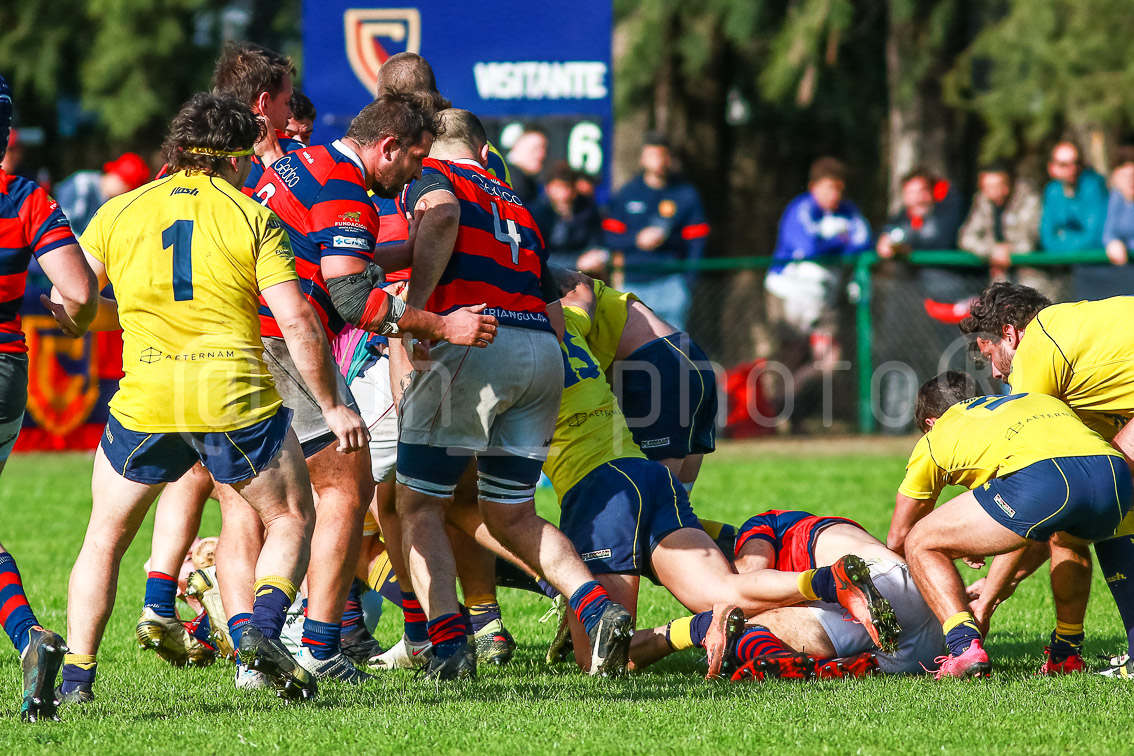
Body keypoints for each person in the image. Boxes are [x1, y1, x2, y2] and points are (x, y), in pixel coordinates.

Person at [48, 92, 372, 705]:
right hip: (231, 396)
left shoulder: (119, 210)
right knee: (291, 516)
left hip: (145, 397)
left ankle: (76, 680)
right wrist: (331, 405)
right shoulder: (252, 215)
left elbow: (76, 300)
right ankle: (262, 631)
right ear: (238, 154)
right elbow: (298, 322)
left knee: (103, 539)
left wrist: (83, 316)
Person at [240, 91, 495, 684]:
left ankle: (258, 648)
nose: (412, 175)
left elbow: (320, 249)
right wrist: (443, 323)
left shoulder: (294, 165)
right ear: (387, 147)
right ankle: (317, 647)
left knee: (262, 508)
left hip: (237, 341)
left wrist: (391, 259)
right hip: (284, 342)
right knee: (348, 489)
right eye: (413, 160)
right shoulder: (347, 188)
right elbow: (351, 297)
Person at [395, 108, 634, 681]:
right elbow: (547, 290)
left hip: (477, 341)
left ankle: (450, 646)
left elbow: (443, 216)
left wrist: (420, 313)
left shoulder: (434, 179)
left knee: (418, 504)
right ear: (483, 151)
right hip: (539, 352)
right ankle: (596, 607)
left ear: (434, 146)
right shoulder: (515, 200)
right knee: (511, 511)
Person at [543, 296, 901, 673]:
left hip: (600, 490)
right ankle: (829, 580)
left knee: (596, 661)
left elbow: (505, 519)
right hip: (647, 471)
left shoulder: (504, 344)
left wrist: (554, 578)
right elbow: (580, 291)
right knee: (720, 593)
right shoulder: (566, 317)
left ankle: (692, 628)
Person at [888, 372, 1130, 679]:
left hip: (1043, 481)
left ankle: (963, 647)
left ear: (930, 423)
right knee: (1067, 537)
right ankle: (1066, 654)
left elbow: (899, 535)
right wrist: (983, 567)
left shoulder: (935, 437)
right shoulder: (1027, 401)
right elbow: (1035, 524)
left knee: (920, 540)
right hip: (1114, 474)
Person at [958, 282, 1134, 677]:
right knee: (1106, 498)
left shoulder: (1037, 345)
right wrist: (1000, 582)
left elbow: (1037, 495)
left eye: (991, 356)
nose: (996, 372)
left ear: (1009, 333)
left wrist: (989, 594)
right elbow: (1062, 516)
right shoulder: (1080, 353)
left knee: (1113, 489)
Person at [0, 75, 98, 722]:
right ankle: (28, 639)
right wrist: (75, 318)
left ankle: (29, 636)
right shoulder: (28, 198)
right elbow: (80, 293)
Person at [632, 509, 940, 679]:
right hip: (926, 627)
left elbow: (743, 589)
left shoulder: (759, 527)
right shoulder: (825, 528)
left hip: (868, 578)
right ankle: (827, 670)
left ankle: (782, 653)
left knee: (734, 632)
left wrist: (694, 625)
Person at [557, 269, 716, 490]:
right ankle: (770, 526)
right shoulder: (537, 276)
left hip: (657, 367)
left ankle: (776, 525)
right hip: (683, 354)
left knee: (653, 505)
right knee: (676, 509)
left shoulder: (538, 277)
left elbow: (580, 284)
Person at [602, 132, 709, 331]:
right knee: (636, 352)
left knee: (675, 349)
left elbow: (697, 240)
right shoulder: (627, 194)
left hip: (672, 282)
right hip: (635, 284)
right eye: (652, 155)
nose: (657, 161)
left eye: (662, 155)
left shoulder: (685, 194)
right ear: (642, 158)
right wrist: (637, 240)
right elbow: (610, 238)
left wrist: (688, 280)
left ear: (669, 159)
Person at [211, 41, 305, 192]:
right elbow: (310, 208)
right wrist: (275, 157)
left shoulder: (185, 156)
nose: (290, 114)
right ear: (264, 103)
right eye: (287, 102)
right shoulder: (298, 157)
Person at [957, 163, 1049, 297]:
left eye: (995, 185)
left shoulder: (1029, 198)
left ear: (1007, 184)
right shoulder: (983, 201)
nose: (989, 190)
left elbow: (1031, 242)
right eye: (986, 186)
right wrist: (992, 250)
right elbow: (966, 237)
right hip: (1000, 282)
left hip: (1035, 279)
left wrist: (1009, 251)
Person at [1039, 141, 1110, 300]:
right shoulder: (1052, 190)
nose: (1071, 168)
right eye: (1064, 164)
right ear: (1052, 167)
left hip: (1095, 271)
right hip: (1062, 272)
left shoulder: (1093, 186)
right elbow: (1047, 237)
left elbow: (1095, 236)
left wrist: (1064, 236)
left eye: (1075, 162)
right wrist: (1069, 243)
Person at [530, 161, 605, 270]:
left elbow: (596, 242)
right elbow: (536, 255)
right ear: (548, 188)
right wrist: (575, 262)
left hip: (583, 273)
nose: (564, 194)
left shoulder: (587, 210)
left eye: (568, 187)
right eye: (559, 187)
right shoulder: (537, 213)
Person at [53, 153, 150, 235]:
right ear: (115, 174)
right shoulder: (82, 185)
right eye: (125, 184)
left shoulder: (111, 203)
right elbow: (58, 227)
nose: (125, 191)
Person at [1102, 146, 1134, 266]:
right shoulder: (1115, 198)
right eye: (1127, 177)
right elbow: (1108, 232)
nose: (1131, 181)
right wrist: (1112, 243)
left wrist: (1127, 246)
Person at [505, 125, 547, 205]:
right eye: (535, 149)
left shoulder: (529, 183)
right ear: (516, 146)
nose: (541, 154)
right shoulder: (511, 184)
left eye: (544, 149)